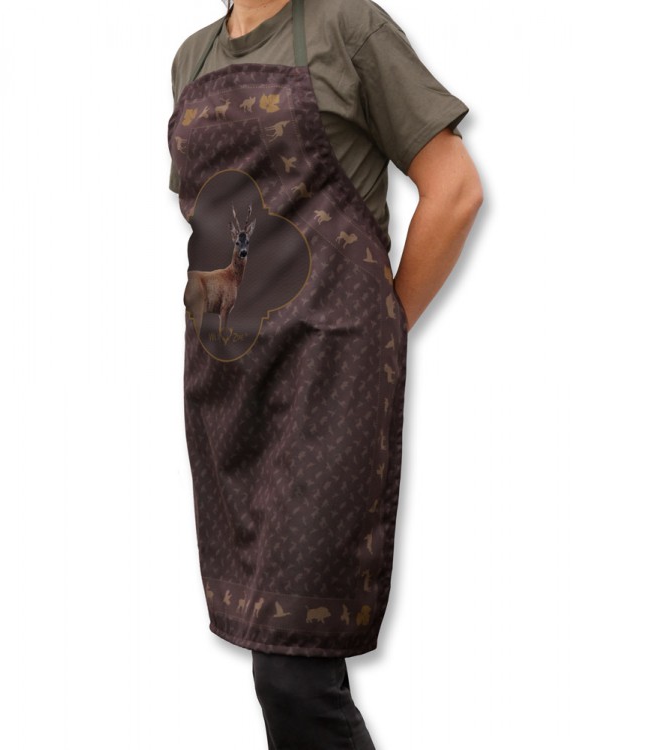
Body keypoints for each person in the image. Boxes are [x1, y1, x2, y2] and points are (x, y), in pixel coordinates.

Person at [167, 0, 483, 746]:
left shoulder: (350, 28)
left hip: (329, 382)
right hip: (228, 387)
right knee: (266, 647)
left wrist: (382, 327)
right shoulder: (190, 58)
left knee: (294, 667)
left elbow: (455, 189)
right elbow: (213, 220)